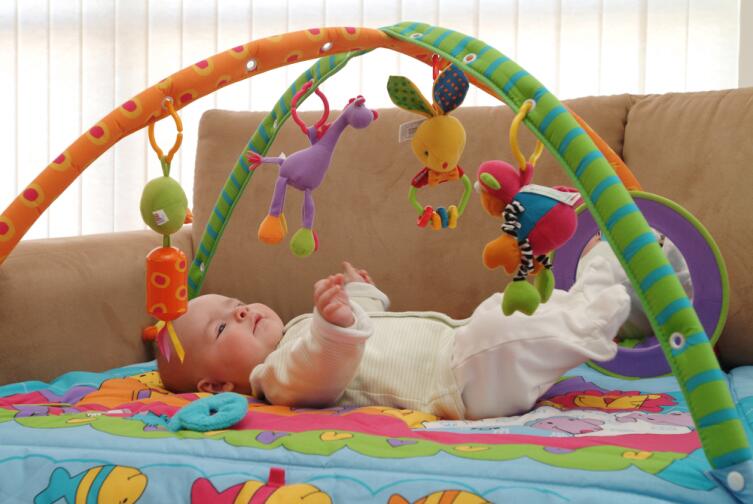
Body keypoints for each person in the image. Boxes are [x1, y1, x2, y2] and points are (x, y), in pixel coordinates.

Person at [158, 259, 629, 420]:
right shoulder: (276, 376)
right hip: (459, 383)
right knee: (505, 330)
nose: (240, 312)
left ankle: (609, 287)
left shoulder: (304, 327)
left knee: (508, 310)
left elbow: (370, 327)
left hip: (459, 346)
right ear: (216, 387)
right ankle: (600, 305)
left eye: (236, 304)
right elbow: (322, 369)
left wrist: (360, 295)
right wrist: (333, 327)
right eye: (222, 328)